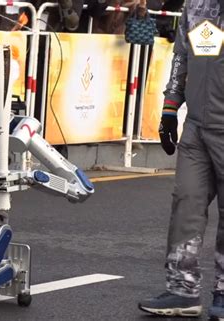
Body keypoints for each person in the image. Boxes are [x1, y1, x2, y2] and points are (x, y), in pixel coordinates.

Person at [138, 0, 224, 318]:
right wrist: (170, 108)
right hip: (197, 131)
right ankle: (182, 290)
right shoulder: (197, 4)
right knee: (186, 203)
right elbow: (182, 55)